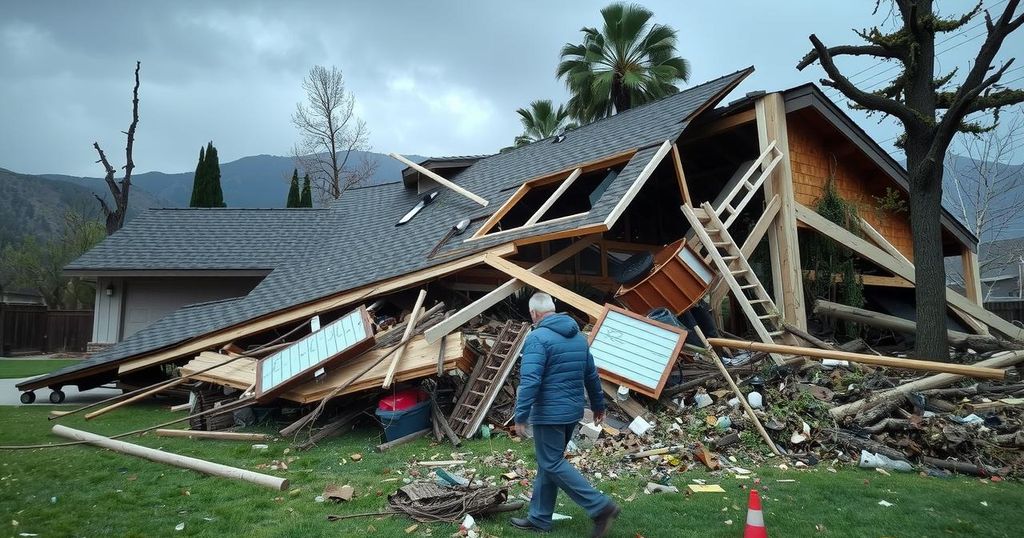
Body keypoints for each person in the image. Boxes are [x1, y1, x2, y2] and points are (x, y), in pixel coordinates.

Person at [510, 292, 620, 537]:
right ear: (553, 309)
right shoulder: (578, 337)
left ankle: (600, 507)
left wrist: (520, 415)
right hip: (571, 412)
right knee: (547, 464)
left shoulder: (537, 338)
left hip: (549, 413)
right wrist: (598, 406)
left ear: (533, 313)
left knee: (551, 462)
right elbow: (590, 374)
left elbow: (530, 380)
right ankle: (539, 518)